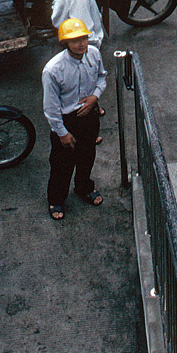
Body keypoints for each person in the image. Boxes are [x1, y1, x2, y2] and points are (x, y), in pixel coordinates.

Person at [42, 19, 106, 221]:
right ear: (65, 43)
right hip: (66, 121)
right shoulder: (53, 70)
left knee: (87, 156)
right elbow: (51, 108)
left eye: (84, 38)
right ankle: (56, 199)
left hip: (89, 115)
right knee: (62, 165)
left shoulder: (94, 54)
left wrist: (95, 96)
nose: (82, 44)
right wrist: (62, 133)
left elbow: (102, 77)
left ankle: (83, 188)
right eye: (76, 40)